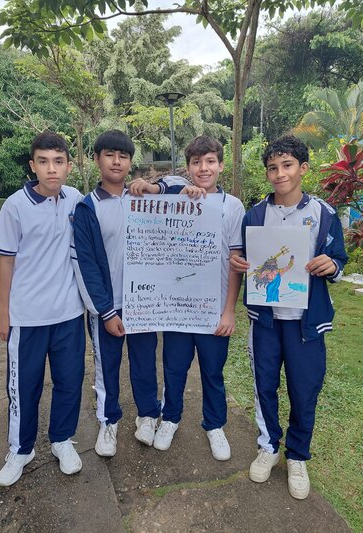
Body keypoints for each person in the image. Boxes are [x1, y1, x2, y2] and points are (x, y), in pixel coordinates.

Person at [230, 135, 348, 499]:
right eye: (272, 168)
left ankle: (297, 455)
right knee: (264, 384)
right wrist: (239, 262)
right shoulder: (254, 215)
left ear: (303, 168)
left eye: (287, 166)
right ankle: (269, 445)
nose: (279, 174)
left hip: (306, 323)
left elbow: (339, 261)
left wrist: (331, 265)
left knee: (304, 387)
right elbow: (243, 257)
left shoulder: (324, 215)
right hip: (265, 321)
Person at [129, 136, 245, 460]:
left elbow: (235, 262)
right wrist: (155, 191)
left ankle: (215, 425)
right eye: (196, 162)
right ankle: (171, 418)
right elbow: (157, 194)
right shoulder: (176, 198)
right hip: (177, 309)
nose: (203, 168)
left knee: (213, 372)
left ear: (221, 165)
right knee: (174, 368)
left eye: (210, 161)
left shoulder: (233, 207)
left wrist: (229, 312)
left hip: (213, 310)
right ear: (189, 167)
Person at [0, 131, 85, 487]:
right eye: (43, 162)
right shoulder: (15, 206)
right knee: (23, 387)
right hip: (26, 317)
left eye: (58, 161)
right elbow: (6, 262)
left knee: (69, 382)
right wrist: (3, 312)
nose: (51, 169)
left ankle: (62, 440)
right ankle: (21, 449)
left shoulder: (76, 200)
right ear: (33, 165)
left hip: (69, 314)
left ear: (69, 166)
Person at [72, 129, 160, 457]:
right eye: (109, 154)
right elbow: (85, 264)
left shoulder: (145, 199)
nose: (116, 161)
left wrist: (155, 186)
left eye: (123, 156)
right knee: (106, 365)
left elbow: (180, 188)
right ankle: (108, 420)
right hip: (108, 307)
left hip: (144, 302)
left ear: (130, 162)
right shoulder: (87, 208)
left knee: (145, 362)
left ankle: (148, 415)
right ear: (96, 159)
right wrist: (106, 311)